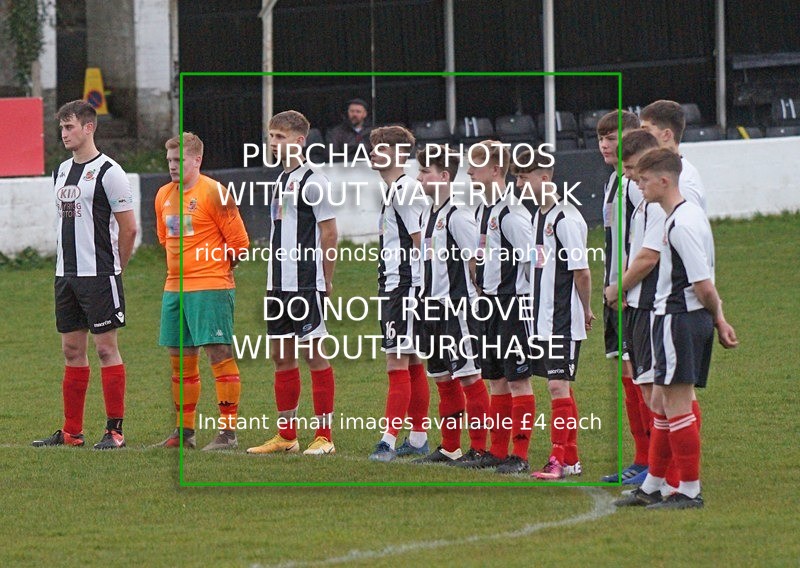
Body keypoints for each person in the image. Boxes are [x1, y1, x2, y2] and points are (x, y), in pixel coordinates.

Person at [615, 148, 737, 509]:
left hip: (678, 318)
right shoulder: (685, 216)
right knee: (662, 402)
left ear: (664, 180)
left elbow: (703, 283)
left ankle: (689, 489)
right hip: (679, 318)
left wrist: (719, 318)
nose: (639, 187)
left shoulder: (681, 224)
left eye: (644, 180)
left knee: (677, 405)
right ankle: (653, 484)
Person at [33, 100, 137, 450]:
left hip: (99, 275)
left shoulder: (110, 172)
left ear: (88, 128)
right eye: (61, 128)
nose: (64, 133)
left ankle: (115, 431)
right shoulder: (60, 171)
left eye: (69, 127)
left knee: (106, 349)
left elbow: (130, 229)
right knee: (71, 348)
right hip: (66, 275)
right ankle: (71, 432)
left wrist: (116, 267)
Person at [247, 110, 339, 456]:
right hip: (278, 284)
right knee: (280, 356)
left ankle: (324, 436)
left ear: (300, 141)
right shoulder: (280, 180)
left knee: (314, 355)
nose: (273, 143)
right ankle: (286, 436)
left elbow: (329, 234)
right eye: (271, 136)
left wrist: (325, 282)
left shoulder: (314, 180)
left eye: (280, 137)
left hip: (305, 283)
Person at [153, 132, 250, 451]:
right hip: (174, 289)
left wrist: (216, 271)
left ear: (197, 160)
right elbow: (165, 240)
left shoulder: (215, 193)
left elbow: (240, 245)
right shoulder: (163, 195)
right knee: (180, 360)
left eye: (178, 160)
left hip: (210, 287)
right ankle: (185, 432)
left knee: (219, 355)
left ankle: (228, 433)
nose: (172, 166)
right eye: (168, 160)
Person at [512, 150, 593, 480]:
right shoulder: (538, 217)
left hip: (562, 318)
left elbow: (582, 272)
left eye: (523, 177)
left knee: (558, 387)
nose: (518, 184)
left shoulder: (566, 219)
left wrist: (585, 309)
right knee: (561, 387)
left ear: (542, 178)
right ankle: (571, 459)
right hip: (542, 318)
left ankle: (558, 460)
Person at [455, 140, 534, 474]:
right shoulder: (482, 210)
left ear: (496, 170)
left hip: (512, 305)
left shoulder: (512, 212)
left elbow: (532, 261)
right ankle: (498, 451)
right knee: (497, 379)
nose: (470, 171)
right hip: (487, 305)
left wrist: (531, 304)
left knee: (518, 380)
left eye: (476, 165)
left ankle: (520, 453)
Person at [412, 144, 490, 464]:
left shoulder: (458, 215)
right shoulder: (427, 214)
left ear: (444, 176)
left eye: (425, 171)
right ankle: (449, 446)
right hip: (430, 307)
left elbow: (476, 260)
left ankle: (481, 447)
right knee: (443, 377)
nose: (419, 178)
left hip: (457, 307)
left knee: (469, 376)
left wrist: (478, 301)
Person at [367, 125, 429, 462]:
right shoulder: (397, 189)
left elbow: (421, 241)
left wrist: (419, 285)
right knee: (412, 358)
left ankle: (388, 441)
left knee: (396, 359)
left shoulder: (404, 191)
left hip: (404, 286)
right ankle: (417, 437)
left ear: (398, 153)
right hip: (398, 284)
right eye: (372, 146)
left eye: (380, 147)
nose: (372, 152)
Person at [595, 110, 652, 484]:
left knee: (639, 376)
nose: (604, 144)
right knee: (626, 374)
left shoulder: (634, 185)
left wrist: (627, 285)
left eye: (612, 137)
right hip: (614, 290)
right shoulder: (615, 181)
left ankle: (648, 460)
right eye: (600, 137)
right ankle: (641, 458)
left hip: (630, 292)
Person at [639, 100, 706, 211]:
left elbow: (686, 225)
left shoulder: (682, 182)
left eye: (646, 131)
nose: (640, 137)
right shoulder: (659, 175)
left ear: (666, 135)